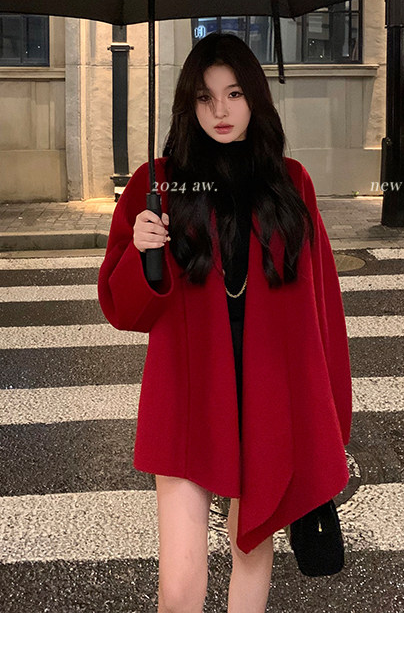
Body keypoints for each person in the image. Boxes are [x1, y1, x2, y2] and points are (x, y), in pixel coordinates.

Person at [97, 33, 352, 613]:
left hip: (267, 403)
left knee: (250, 556)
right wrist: (141, 251)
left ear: (254, 99)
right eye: (205, 96)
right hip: (187, 401)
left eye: (234, 94)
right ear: (187, 104)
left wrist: (329, 421)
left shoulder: (290, 183)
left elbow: (322, 311)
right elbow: (122, 310)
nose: (220, 110)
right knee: (179, 586)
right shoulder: (158, 185)